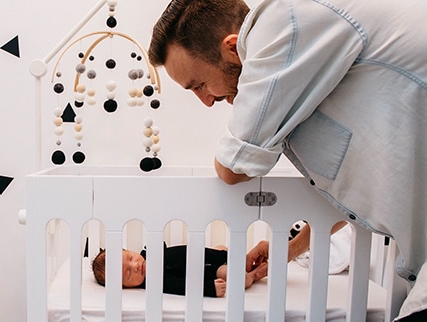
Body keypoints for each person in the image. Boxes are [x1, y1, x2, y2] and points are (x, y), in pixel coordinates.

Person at [148, 0, 427, 320]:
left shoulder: (283, 20)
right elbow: (352, 191)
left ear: (232, 48)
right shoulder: (311, 81)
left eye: (199, 85)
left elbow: (233, 168)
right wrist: (290, 248)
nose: (207, 101)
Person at [91, 244, 266, 297]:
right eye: (128, 274)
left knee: (223, 251)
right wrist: (209, 289)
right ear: (125, 286)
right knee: (236, 277)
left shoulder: (148, 254)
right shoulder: (155, 281)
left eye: (130, 257)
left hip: (207, 253)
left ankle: (238, 255)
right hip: (211, 269)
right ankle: (252, 275)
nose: (135, 266)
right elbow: (180, 286)